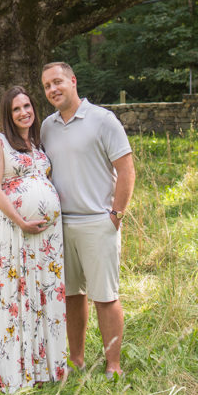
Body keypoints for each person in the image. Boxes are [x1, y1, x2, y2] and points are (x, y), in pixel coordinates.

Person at [40, 61, 135, 378]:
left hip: (98, 222)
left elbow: (126, 169)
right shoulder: (47, 127)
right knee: (71, 295)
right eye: (47, 86)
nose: (53, 89)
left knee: (105, 297)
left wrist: (116, 215)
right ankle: (76, 360)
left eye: (57, 82)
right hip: (60, 226)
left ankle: (113, 366)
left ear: (73, 81)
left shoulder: (103, 120)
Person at [0, 85, 67, 393]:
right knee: (18, 294)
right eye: (16, 109)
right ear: (8, 114)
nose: (24, 112)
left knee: (44, 294)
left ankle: (46, 367)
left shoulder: (38, 144)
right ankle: (17, 371)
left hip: (46, 239)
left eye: (27, 106)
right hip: (16, 232)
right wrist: (21, 220)